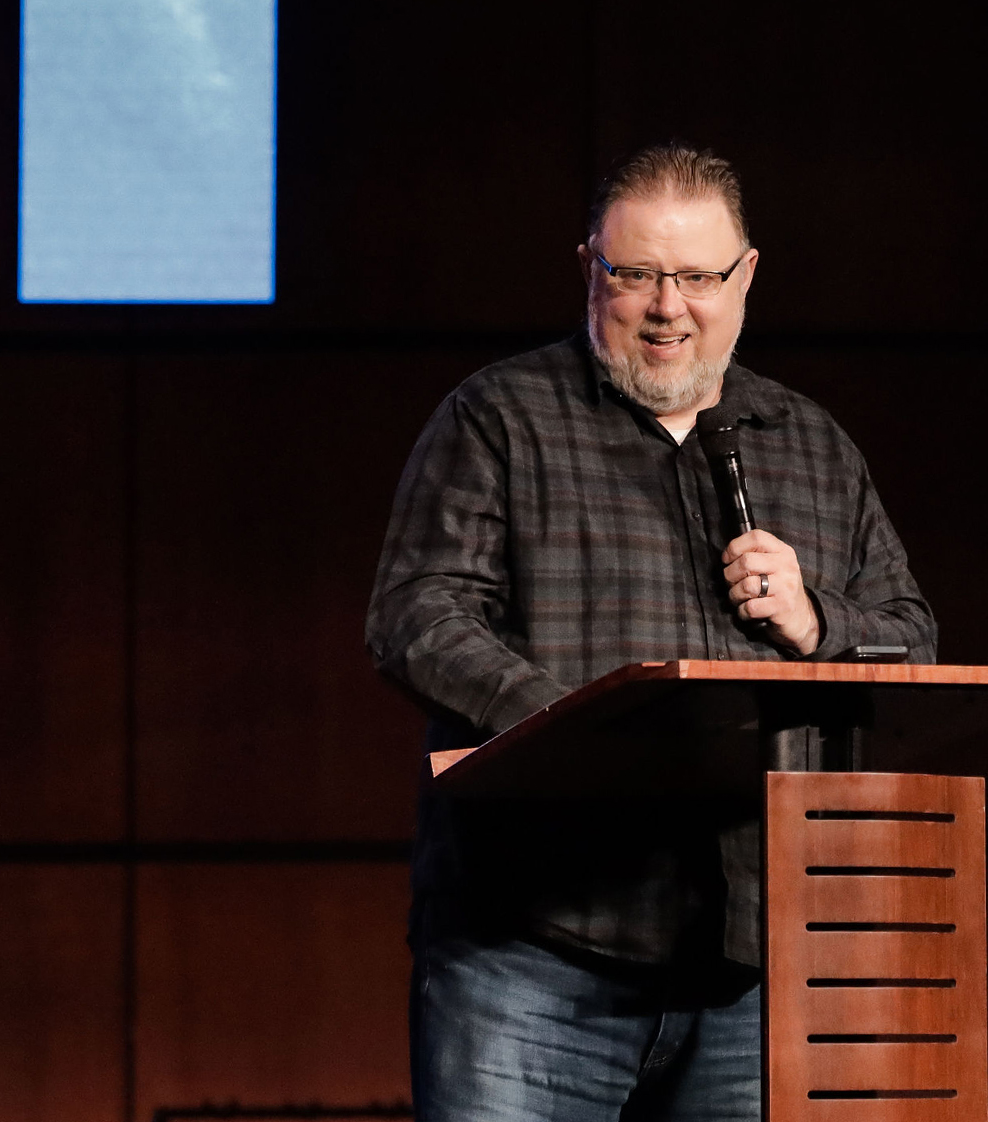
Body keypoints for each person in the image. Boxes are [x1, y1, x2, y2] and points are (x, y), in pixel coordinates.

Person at [366, 142, 937, 1122]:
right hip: (531, 951)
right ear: (590, 269)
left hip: (750, 953)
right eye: (635, 275)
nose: (670, 307)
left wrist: (817, 620)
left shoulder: (810, 444)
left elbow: (913, 645)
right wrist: (583, 727)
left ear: (746, 275)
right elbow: (417, 615)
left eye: (699, 277)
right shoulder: (502, 418)